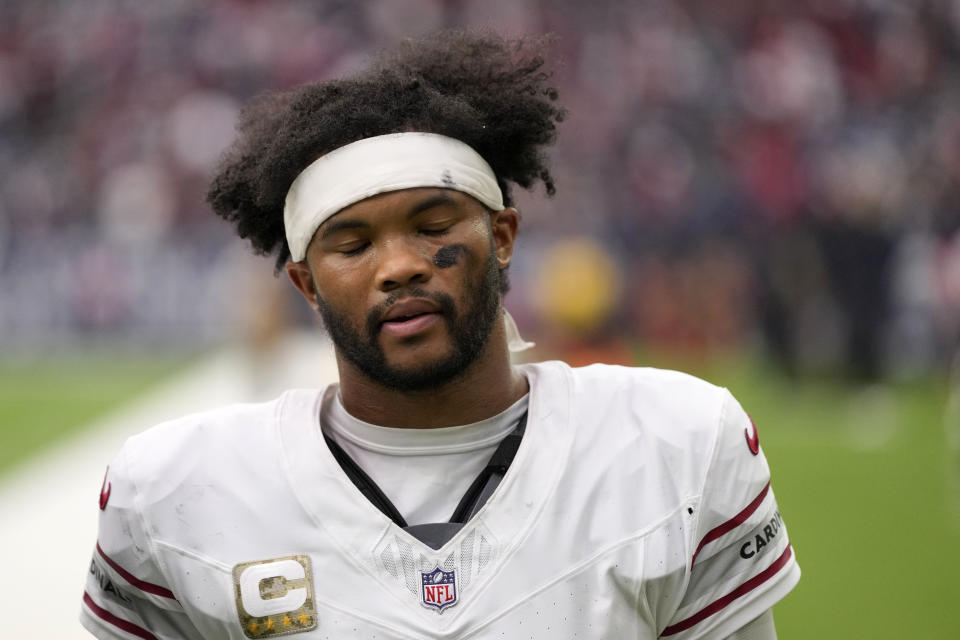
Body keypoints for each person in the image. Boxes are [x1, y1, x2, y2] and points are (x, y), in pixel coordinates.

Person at [80, 31, 799, 640]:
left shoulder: (678, 445)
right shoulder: (174, 494)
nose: (398, 267)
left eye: (433, 227)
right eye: (353, 245)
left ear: (504, 235)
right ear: (305, 284)